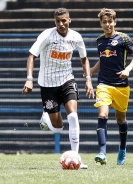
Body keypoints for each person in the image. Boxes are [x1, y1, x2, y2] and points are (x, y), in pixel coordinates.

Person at [22, 8, 94, 169]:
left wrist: (88, 80)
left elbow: (84, 59)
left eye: (64, 20)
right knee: (58, 127)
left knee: (73, 116)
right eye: (58, 21)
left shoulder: (76, 37)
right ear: (55, 22)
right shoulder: (47, 35)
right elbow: (31, 55)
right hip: (47, 84)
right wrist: (29, 79)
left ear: (69, 20)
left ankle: (77, 159)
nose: (61, 24)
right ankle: (46, 118)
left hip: (67, 80)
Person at [90, 8, 133, 165]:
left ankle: (122, 149)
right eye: (104, 22)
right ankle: (102, 152)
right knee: (103, 115)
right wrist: (91, 71)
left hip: (121, 86)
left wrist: (128, 69)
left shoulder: (123, 38)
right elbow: (103, 59)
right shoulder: (99, 41)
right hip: (104, 84)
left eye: (110, 21)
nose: (107, 25)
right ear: (101, 23)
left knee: (121, 120)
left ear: (115, 22)